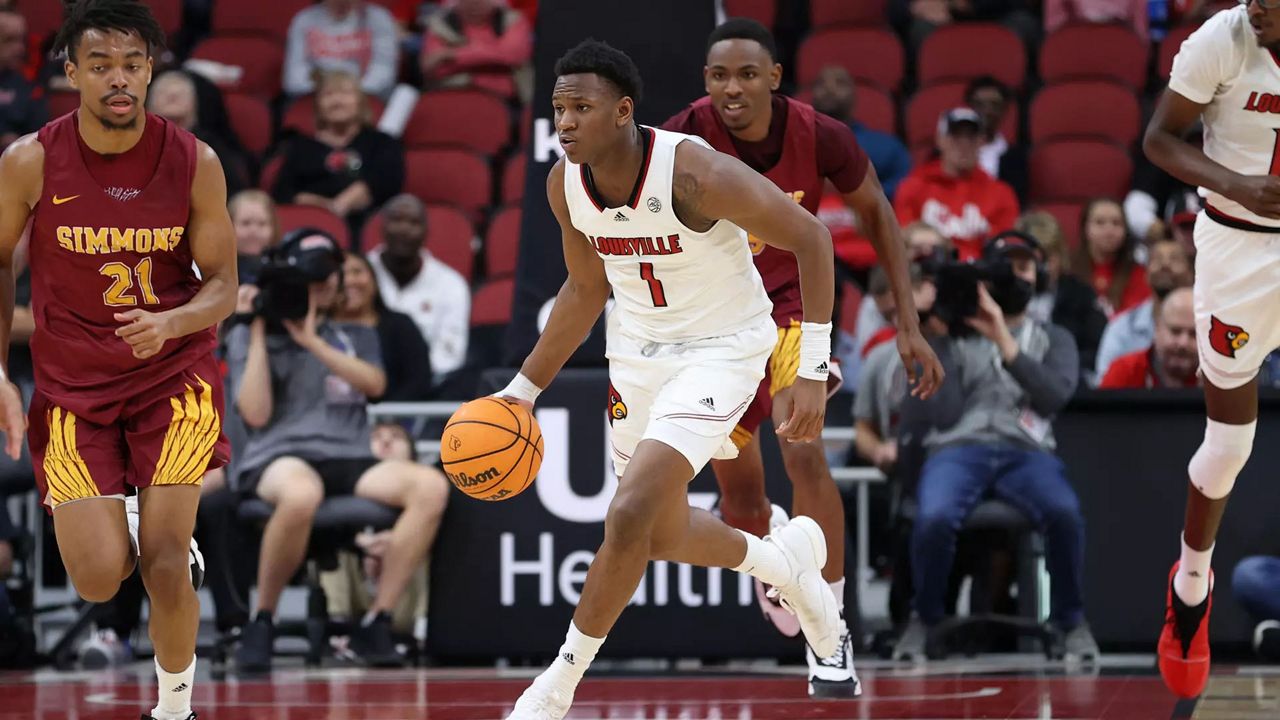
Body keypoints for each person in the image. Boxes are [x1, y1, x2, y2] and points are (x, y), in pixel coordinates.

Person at [497, 39, 941, 719]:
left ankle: (554, 688)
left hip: (724, 351)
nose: (564, 124)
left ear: (621, 112)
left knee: (629, 515)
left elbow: (814, 240)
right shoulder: (565, 185)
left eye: (579, 109)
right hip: (639, 357)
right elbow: (584, 291)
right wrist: (519, 392)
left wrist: (814, 367)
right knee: (660, 533)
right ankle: (784, 566)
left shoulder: (694, 172)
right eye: (558, 110)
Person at [660, 18, 943, 697]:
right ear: (706, 82)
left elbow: (878, 216)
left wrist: (908, 325)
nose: (734, 87)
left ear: (774, 79)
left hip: (793, 307)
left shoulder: (822, 135)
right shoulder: (678, 136)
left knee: (804, 448)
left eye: (748, 74)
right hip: (714, 320)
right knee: (744, 503)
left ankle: (832, 619)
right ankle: (774, 549)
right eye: (721, 75)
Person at [0, 1, 240, 718]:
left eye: (133, 65)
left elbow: (225, 288)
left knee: (167, 563)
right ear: (70, 71)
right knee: (100, 580)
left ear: (151, 70)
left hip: (173, 375)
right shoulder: (29, 160)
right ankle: (138, 528)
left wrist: (173, 322)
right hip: (72, 386)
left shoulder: (195, 160)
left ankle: (173, 709)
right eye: (100, 64)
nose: (119, 79)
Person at [227, 228, 449, 672]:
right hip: (278, 457)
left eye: (330, 277)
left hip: (348, 456)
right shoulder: (254, 334)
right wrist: (254, 328)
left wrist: (312, 341)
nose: (326, 285)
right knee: (301, 494)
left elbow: (375, 386)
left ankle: (376, 621)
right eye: (314, 277)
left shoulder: (353, 335)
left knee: (430, 487)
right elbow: (253, 413)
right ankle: (262, 621)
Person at [1142, 1, 1280, 697]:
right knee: (1230, 446)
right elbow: (1158, 140)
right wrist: (1238, 184)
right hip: (1238, 250)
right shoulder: (1221, 40)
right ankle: (1191, 587)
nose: (1257, 5)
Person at [893, 232, 1098, 662]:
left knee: (1064, 514)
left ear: (1039, 275)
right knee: (933, 518)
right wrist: (942, 330)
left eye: (1024, 267)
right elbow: (942, 413)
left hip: (1027, 452)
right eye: (1005, 267)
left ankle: (1071, 622)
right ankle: (924, 619)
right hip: (957, 448)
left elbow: (1053, 397)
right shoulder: (953, 332)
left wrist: (1004, 339)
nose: (1015, 276)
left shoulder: (1053, 337)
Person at [272, 69, 405, 241]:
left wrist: (354, 197)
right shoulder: (300, 146)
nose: (337, 101)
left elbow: (389, 182)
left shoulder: (382, 143)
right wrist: (326, 207)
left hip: (368, 229)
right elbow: (282, 191)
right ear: (318, 105)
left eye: (345, 94)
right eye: (328, 95)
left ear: (361, 103)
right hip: (310, 228)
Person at [366, 194, 469, 389]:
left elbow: (450, 354)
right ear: (382, 226)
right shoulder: (358, 277)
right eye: (396, 220)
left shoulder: (451, 284)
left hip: (426, 389)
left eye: (414, 222)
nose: (404, 229)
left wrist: (411, 381)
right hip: (363, 385)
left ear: (426, 231)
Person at [893, 108, 1020, 261]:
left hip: (980, 275)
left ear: (981, 142)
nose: (964, 144)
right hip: (928, 273)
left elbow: (1007, 245)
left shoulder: (1001, 194)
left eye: (971, 137)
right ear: (940, 140)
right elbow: (904, 237)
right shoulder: (914, 186)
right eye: (956, 136)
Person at [1015, 210, 1108, 382]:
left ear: (1061, 254)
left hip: (1065, 382)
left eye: (1050, 258)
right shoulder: (1003, 292)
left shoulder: (1081, 295)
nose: (1046, 268)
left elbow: (1098, 348)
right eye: (1036, 260)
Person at [334, 252, 435, 401]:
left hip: (395, 419)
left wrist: (389, 418)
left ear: (374, 280)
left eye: (357, 272)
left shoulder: (400, 325)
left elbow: (418, 381)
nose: (349, 281)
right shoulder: (316, 331)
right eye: (341, 274)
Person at [1094, 237, 1194, 379]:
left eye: (1175, 259)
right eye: (1157, 260)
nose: (1165, 265)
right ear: (1146, 274)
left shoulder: (1209, 325)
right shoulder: (1121, 327)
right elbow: (1104, 389)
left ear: (1191, 274)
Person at [809, 65, 911, 201]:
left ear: (854, 95)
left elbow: (905, 186)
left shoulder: (886, 146)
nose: (829, 89)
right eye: (821, 84)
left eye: (840, 83)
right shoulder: (794, 143)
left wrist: (864, 197)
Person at [283, 0, 401, 100]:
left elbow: (384, 72)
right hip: (316, 97)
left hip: (365, 98)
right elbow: (294, 78)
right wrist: (328, 92)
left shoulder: (379, 19)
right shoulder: (304, 20)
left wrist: (349, 94)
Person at [419, 0, 533, 100]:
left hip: (508, 102)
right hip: (450, 98)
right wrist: (494, 55)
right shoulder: (439, 25)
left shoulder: (513, 20)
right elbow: (431, 67)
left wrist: (452, 54)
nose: (474, 3)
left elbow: (513, 55)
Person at [1098, 286, 1199, 389]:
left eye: (1194, 334)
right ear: (1157, 329)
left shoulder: (1215, 378)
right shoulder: (1125, 370)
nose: (1183, 343)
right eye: (1175, 331)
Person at [1071, 197, 1151, 318]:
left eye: (1116, 223)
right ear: (1085, 228)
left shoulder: (1141, 275)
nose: (1109, 231)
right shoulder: (1068, 270)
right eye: (1100, 222)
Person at [0, 8, 45, 150]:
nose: (19, 48)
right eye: (9, 40)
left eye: (21, 40)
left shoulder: (28, 87)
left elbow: (40, 138)